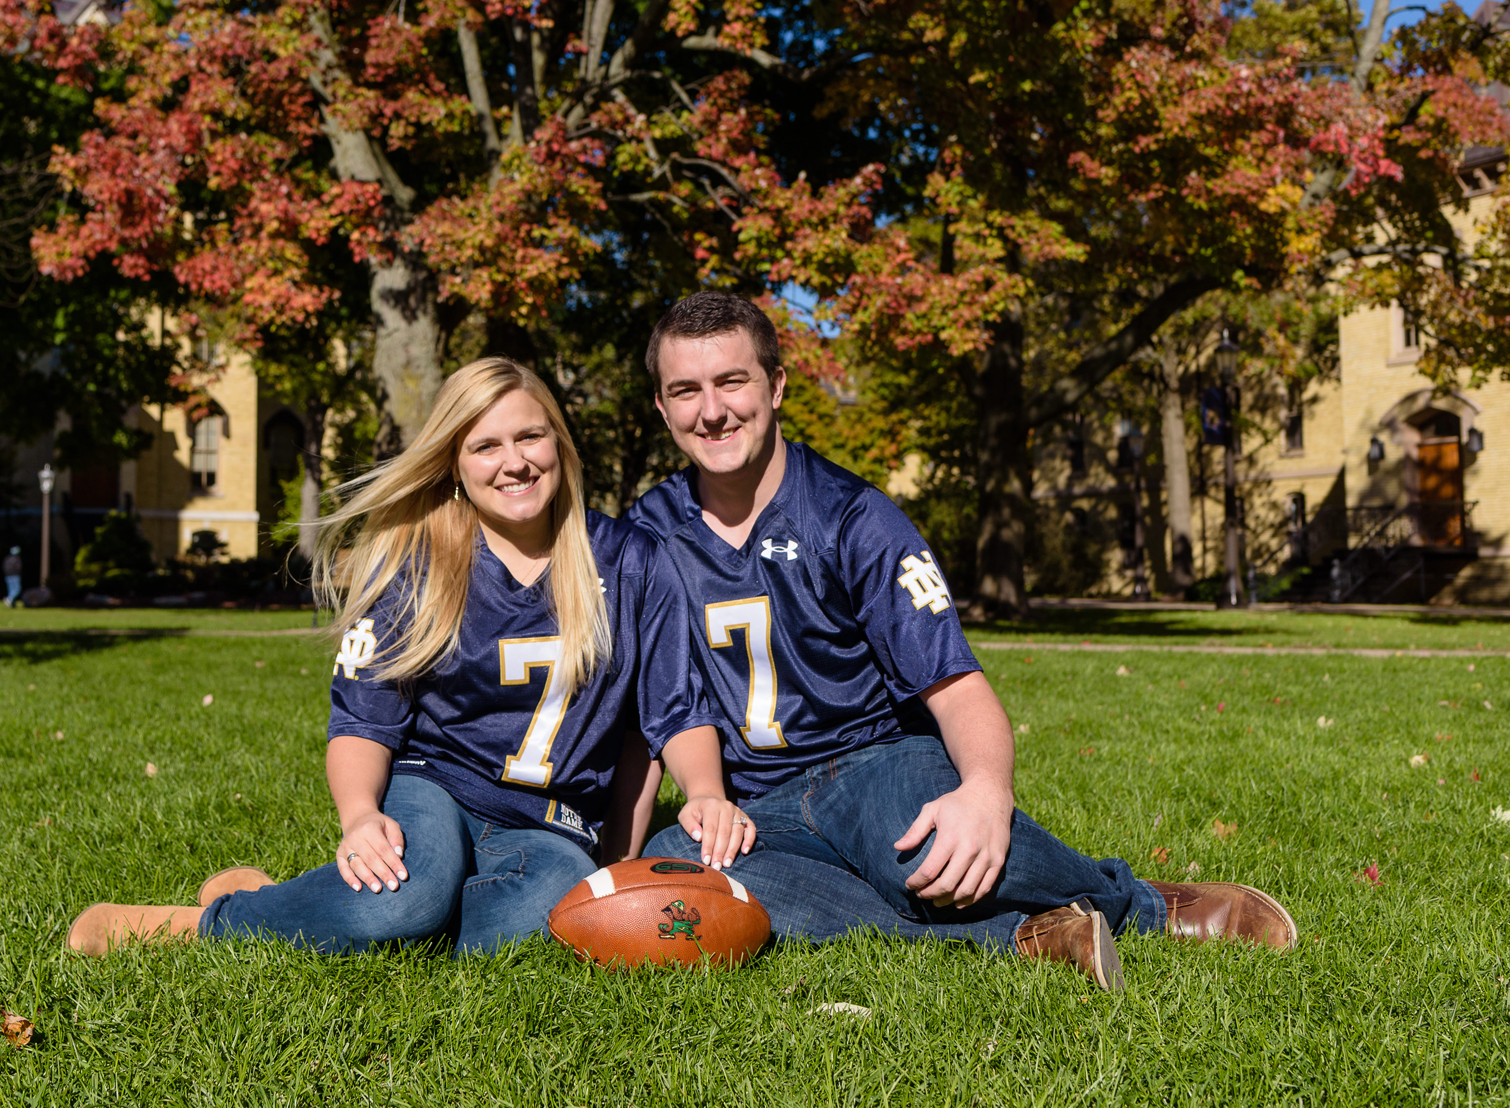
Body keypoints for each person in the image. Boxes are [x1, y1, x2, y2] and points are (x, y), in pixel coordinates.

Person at [630, 292, 1297, 992]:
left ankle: (1139, 900)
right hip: (763, 806)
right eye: (686, 391)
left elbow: (959, 688)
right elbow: (678, 698)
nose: (712, 410)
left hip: (877, 770)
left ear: (776, 385)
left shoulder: (855, 517)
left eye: (732, 381)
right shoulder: (649, 533)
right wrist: (704, 793)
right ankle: (1026, 934)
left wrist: (985, 789)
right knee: (677, 865)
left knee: (913, 852)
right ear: (663, 407)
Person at [68, 358, 717, 957]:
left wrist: (702, 796)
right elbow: (362, 723)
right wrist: (361, 817)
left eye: (529, 437)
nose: (513, 462)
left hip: (553, 823)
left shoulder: (631, 559)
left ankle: (320, 904)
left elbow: (669, 713)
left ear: (560, 443)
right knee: (408, 895)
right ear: (453, 463)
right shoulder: (419, 563)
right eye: (485, 445)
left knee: (535, 925)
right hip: (436, 784)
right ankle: (201, 923)